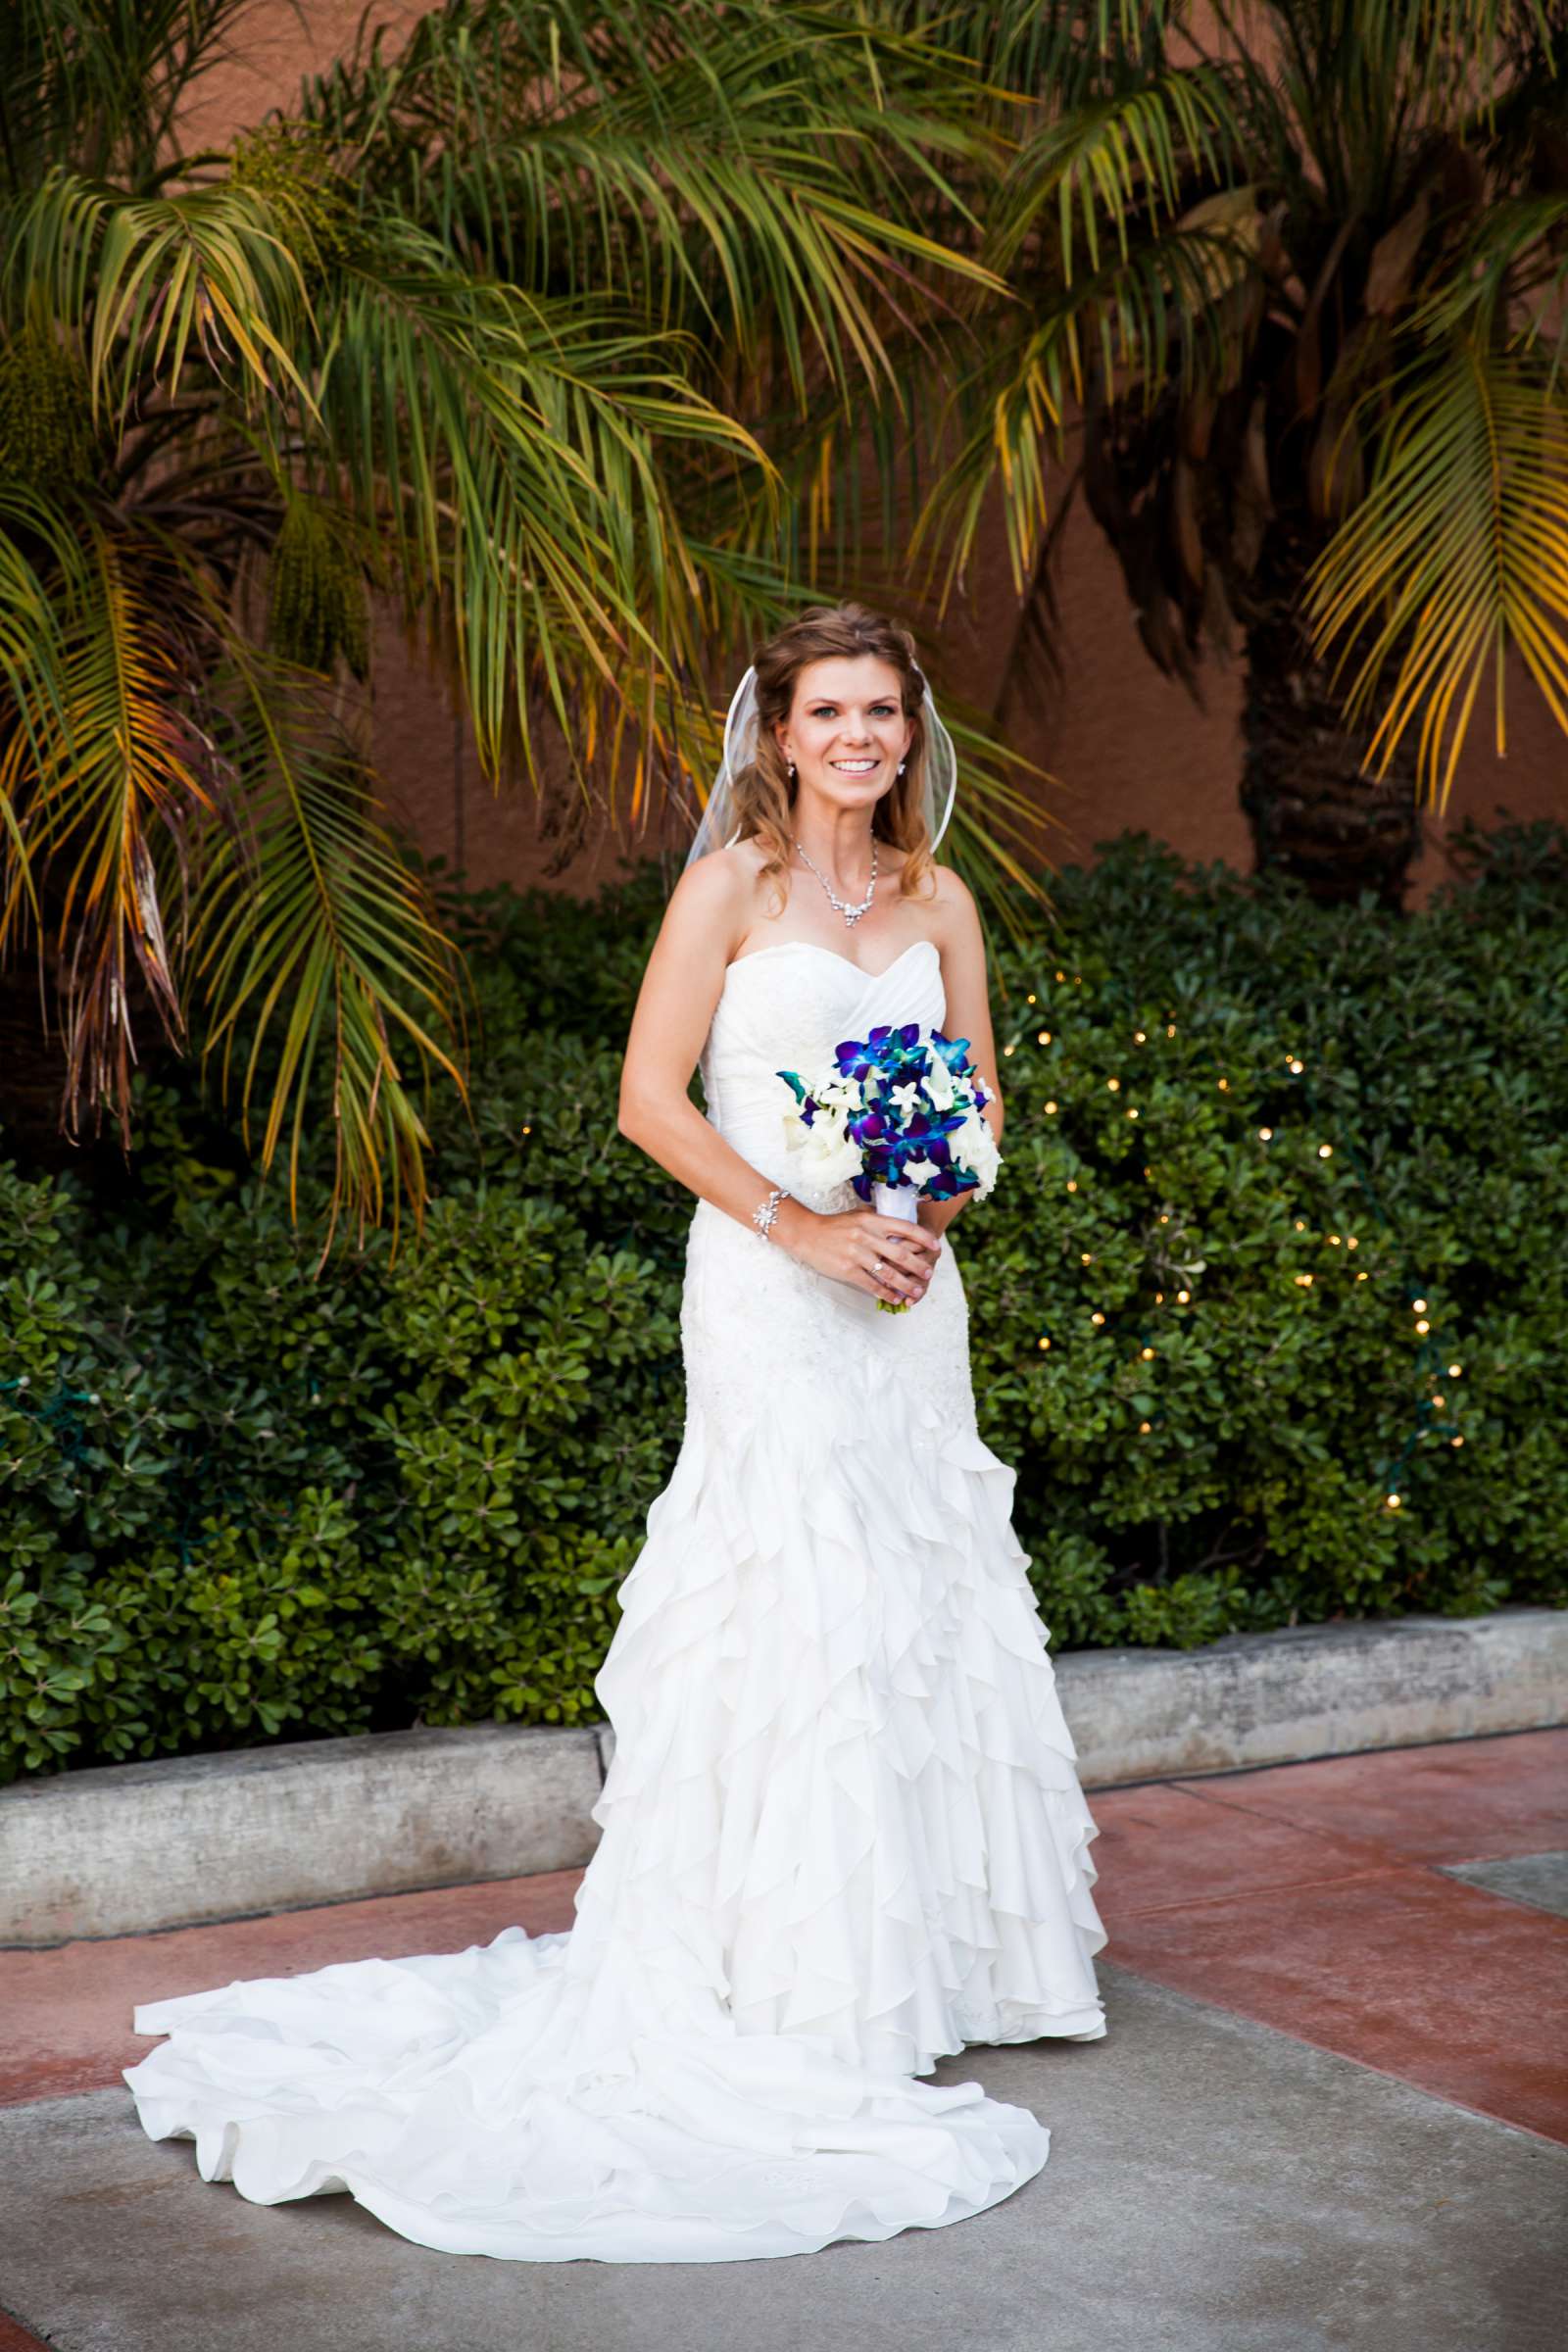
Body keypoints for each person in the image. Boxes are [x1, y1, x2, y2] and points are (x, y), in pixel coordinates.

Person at [122, 601, 1107, 2264]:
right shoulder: (727, 885)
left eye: (884, 711)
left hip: (905, 1292)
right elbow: (651, 1101)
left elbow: (980, 1084)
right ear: (780, 734)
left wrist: (932, 1184)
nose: (859, 738)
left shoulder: (941, 895)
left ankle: (927, 1959)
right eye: (830, 713)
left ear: (909, 732)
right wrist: (805, 1229)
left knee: (916, 1590)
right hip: (774, 1291)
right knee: (790, 1597)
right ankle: (783, 1974)